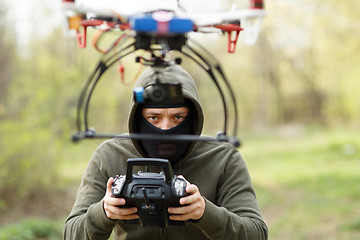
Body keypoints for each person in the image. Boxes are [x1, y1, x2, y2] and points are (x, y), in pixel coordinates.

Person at [63, 64, 268, 240]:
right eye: (153, 117)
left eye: (178, 117)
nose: (165, 127)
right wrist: (104, 212)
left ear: (194, 117)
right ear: (137, 117)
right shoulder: (109, 155)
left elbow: (256, 233)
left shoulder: (223, 158)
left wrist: (205, 213)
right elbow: (71, 233)